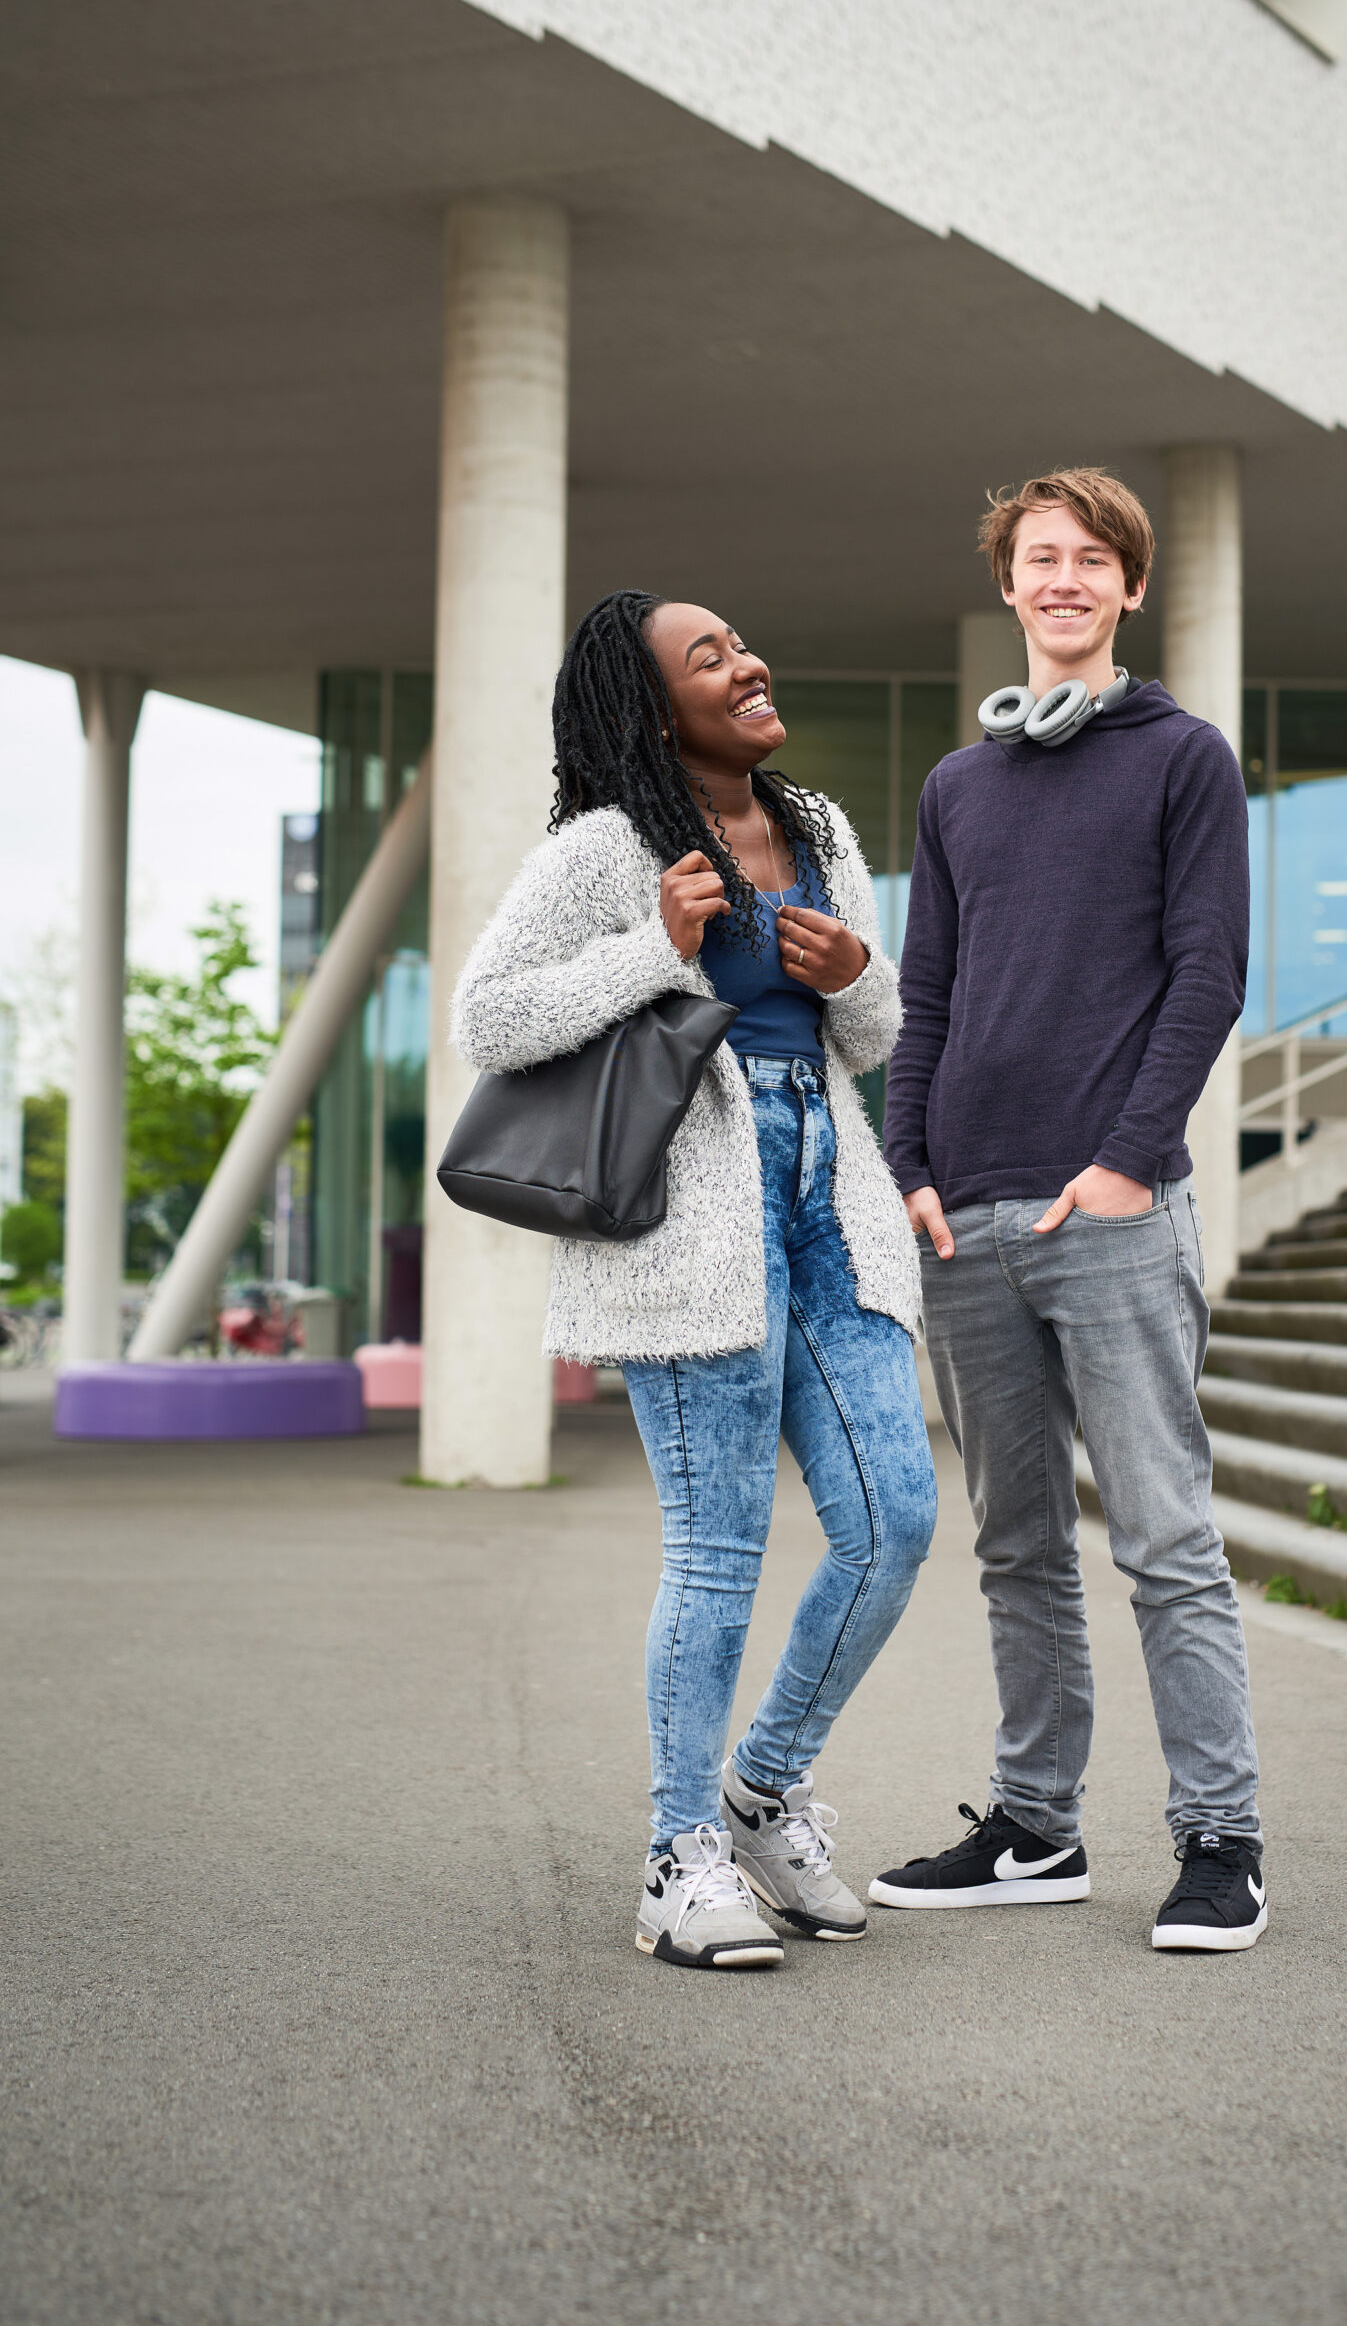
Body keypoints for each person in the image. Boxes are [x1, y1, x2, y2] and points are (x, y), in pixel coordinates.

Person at [451, 590, 937, 1972]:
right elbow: (488, 1016)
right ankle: (679, 1856)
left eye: (741, 642)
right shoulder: (605, 848)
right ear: (653, 708)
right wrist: (647, 948)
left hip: (826, 1199)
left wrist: (854, 968)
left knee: (894, 1517)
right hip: (693, 1216)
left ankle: (762, 1792)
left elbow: (875, 1031)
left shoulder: (824, 830)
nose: (747, 662)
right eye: (708, 656)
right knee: (717, 1553)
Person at [869, 468, 1267, 1952]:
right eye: (1040, 558)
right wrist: (909, 1166)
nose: (1063, 579)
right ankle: (1035, 1827)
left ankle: (1220, 1842)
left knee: (1164, 1541)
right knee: (1016, 1545)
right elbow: (930, 994)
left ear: (1129, 589)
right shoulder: (958, 787)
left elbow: (1206, 974)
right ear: (1008, 584)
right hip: (964, 1216)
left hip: (1110, 1210)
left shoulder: (1183, 757)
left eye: (1091, 559)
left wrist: (1121, 1157)